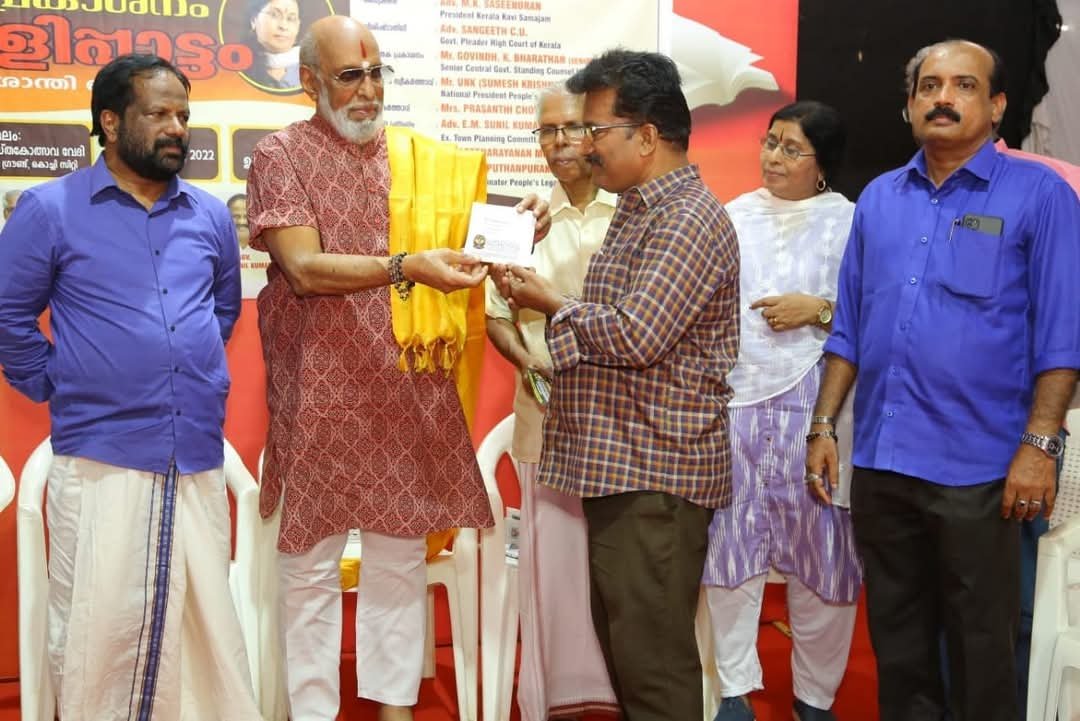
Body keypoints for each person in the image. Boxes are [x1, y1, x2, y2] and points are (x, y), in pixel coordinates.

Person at [246, 16, 549, 721]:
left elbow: (473, 246)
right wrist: (405, 266)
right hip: (320, 389)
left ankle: (393, 706)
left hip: (407, 384)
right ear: (310, 81)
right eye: (350, 76)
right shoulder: (280, 155)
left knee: (399, 554)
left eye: (377, 73)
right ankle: (313, 711)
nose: (369, 90)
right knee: (311, 562)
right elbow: (302, 268)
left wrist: (528, 221)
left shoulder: (418, 162)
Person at [805, 39, 1080, 721]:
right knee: (899, 648)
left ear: (998, 105)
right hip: (883, 463)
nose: (943, 98)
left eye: (963, 85)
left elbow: (1063, 333)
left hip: (982, 470)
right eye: (928, 86)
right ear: (909, 105)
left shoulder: (1040, 195)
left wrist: (1040, 445)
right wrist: (823, 424)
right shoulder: (879, 198)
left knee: (983, 649)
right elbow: (849, 328)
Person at [0, 54, 259, 721]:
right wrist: (62, 380)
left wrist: (182, 365)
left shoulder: (208, 215)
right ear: (111, 122)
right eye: (159, 114)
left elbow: (221, 311)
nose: (177, 128)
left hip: (194, 454)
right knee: (100, 637)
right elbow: (7, 315)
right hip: (102, 460)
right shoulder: (50, 209)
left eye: (184, 115)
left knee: (203, 638)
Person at [495, 49, 739, 721]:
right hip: (623, 469)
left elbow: (636, 334)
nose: (586, 145)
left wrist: (550, 303)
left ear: (647, 136)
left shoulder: (686, 218)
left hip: (655, 476)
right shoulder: (638, 209)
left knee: (653, 674)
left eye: (597, 130)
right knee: (634, 662)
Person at [702, 100, 861, 721]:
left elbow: (876, 315)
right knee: (731, 549)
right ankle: (734, 691)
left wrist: (815, 309)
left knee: (822, 555)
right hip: (737, 405)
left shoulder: (851, 223)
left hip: (820, 408)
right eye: (770, 142)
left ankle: (813, 699)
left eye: (792, 149)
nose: (773, 157)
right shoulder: (732, 216)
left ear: (823, 164)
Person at [484, 83, 618, 721]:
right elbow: (495, 316)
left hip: (624, 426)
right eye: (546, 131)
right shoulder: (522, 223)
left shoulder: (635, 214)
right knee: (553, 568)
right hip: (546, 417)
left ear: (598, 132)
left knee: (618, 569)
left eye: (571, 127)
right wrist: (527, 360)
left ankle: (618, 695)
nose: (559, 142)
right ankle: (558, 699)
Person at [244, 0, 302, 90]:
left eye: (291, 19)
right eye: (274, 15)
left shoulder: (313, 70)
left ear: (298, 26)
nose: (283, 26)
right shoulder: (238, 67)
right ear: (254, 20)